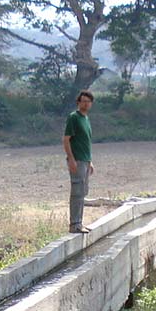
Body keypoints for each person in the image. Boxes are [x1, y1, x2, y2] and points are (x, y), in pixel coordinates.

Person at [62, 90, 94, 233]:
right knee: (77, 191)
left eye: (88, 101)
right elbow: (66, 140)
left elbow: (86, 142)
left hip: (85, 160)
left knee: (83, 192)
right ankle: (74, 224)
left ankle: (79, 222)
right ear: (78, 102)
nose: (86, 104)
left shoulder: (86, 119)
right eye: (83, 101)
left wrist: (90, 161)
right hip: (77, 161)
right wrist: (71, 159)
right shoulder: (73, 117)